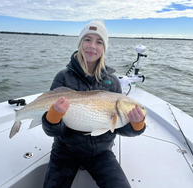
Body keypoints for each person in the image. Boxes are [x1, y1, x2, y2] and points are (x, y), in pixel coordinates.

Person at [42, 19, 146, 188]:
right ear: (80, 43)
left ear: (104, 48)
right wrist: (53, 117)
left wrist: (137, 125)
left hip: (101, 152)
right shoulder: (63, 77)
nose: (92, 46)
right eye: (87, 39)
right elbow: (52, 130)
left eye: (99, 42)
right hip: (65, 150)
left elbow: (117, 126)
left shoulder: (112, 82)